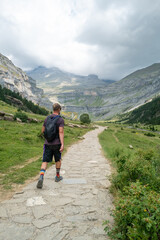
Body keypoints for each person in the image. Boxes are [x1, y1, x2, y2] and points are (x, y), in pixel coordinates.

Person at [37, 103, 64, 189]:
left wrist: (46, 138)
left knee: (45, 161)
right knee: (58, 159)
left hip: (47, 143)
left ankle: (41, 176)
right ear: (59, 109)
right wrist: (62, 143)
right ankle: (57, 176)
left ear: (53, 109)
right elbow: (61, 132)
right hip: (57, 144)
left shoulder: (47, 118)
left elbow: (42, 130)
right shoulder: (60, 120)